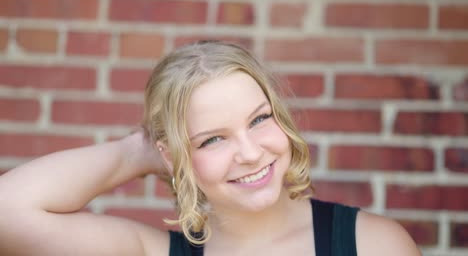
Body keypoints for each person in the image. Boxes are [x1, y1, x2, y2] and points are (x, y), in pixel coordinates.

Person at [0, 41, 421, 256]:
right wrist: (140, 151)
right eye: (213, 139)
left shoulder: (372, 244)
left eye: (259, 119)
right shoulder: (151, 251)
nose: (251, 152)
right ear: (175, 154)